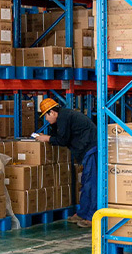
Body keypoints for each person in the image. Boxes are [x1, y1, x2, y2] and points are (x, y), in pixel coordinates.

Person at [36, 98, 97, 228]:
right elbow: (58, 135)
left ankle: (92, 217)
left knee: (91, 184)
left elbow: (62, 140)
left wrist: (47, 138)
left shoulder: (64, 117)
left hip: (90, 150)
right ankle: (82, 213)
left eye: (46, 116)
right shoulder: (62, 117)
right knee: (85, 182)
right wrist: (48, 137)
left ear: (53, 112)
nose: (46, 119)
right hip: (84, 150)